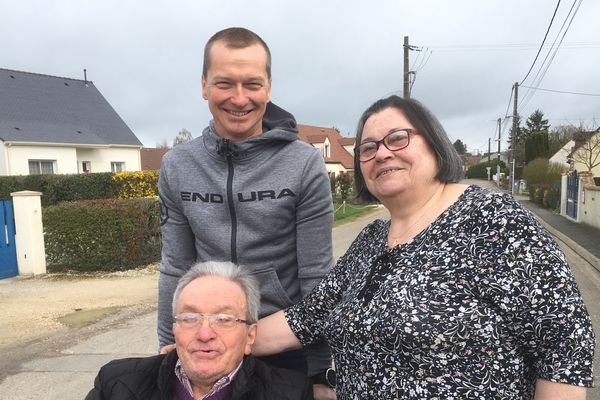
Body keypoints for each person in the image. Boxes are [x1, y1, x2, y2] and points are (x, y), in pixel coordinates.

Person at [252, 95, 595, 399]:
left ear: (433, 144)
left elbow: (563, 349)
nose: (382, 153)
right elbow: (306, 318)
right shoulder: (369, 242)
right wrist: (215, 335)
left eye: (397, 139)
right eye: (368, 148)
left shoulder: (494, 221)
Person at [157, 27, 335, 397]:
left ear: (269, 87)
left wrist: (320, 372)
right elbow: (176, 265)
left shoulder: (304, 164)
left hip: (287, 342)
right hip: (210, 340)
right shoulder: (177, 166)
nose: (240, 99)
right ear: (204, 85)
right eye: (225, 83)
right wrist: (165, 347)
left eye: (252, 84)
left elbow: (317, 274)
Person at [86, 261, 312, 399]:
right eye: (190, 318)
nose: (205, 334)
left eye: (224, 319)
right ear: (174, 328)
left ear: (249, 336)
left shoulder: (291, 392)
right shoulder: (115, 384)